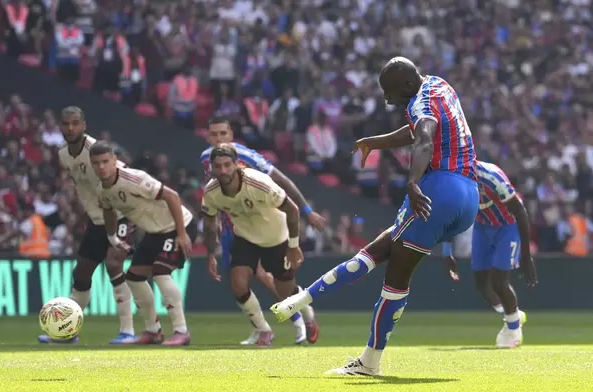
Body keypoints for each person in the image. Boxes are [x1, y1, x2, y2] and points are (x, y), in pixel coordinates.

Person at [271, 57, 535, 376]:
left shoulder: (418, 102)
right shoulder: (440, 85)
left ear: (408, 85)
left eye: (391, 92)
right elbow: (418, 132)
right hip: (468, 197)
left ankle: (369, 361)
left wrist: (411, 182)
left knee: (395, 275)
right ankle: (302, 300)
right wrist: (376, 142)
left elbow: (423, 136)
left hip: (439, 187)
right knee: (381, 247)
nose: (387, 99)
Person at [200, 117, 324, 345]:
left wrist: (294, 246)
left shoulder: (259, 182)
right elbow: (209, 222)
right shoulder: (211, 191)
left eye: (227, 165)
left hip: (276, 237)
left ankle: (307, 314)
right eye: (218, 167)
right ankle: (262, 329)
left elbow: (292, 210)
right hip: (245, 237)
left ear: (237, 165)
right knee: (238, 284)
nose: (223, 170)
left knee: (285, 290)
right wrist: (210, 255)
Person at [38, 106, 135, 344]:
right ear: (60, 126)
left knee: (114, 266)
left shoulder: (96, 150)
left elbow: (122, 174)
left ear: (83, 125)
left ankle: (128, 331)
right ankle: (69, 332)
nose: (70, 129)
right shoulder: (63, 154)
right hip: (97, 220)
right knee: (81, 272)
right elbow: (83, 187)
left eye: (75, 123)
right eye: (66, 124)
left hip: (121, 215)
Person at [90, 141, 196, 346]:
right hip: (155, 232)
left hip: (177, 225)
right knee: (134, 278)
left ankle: (181, 331)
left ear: (114, 160)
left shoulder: (133, 178)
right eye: (96, 163)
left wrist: (182, 234)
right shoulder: (102, 190)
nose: (101, 167)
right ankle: (153, 331)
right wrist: (112, 238)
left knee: (160, 272)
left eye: (105, 161)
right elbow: (109, 210)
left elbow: (172, 196)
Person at [443, 160, 535, 348]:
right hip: (482, 226)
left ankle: (513, 330)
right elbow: (450, 216)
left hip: (507, 226)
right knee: (481, 282)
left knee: (499, 280)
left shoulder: (492, 176)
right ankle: (513, 315)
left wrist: (526, 256)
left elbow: (520, 211)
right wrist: (447, 252)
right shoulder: (453, 182)